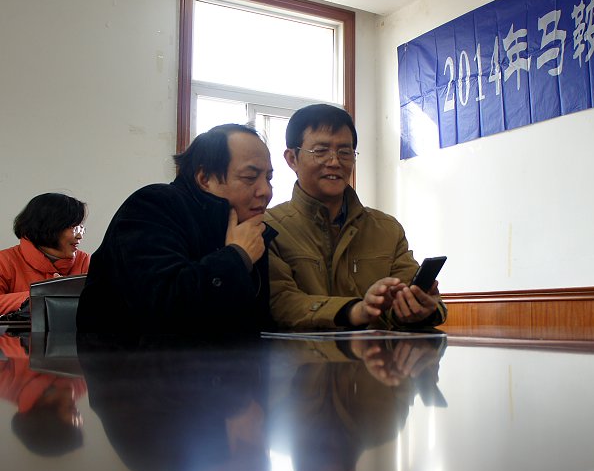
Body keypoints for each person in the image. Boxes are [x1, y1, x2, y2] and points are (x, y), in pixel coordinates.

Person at [76, 123, 276, 333]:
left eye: (269, 178)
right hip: (132, 354)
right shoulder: (153, 205)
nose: (266, 191)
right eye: (250, 177)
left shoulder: (247, 229)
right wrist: (237, 256)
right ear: (204, 178)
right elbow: (162, 308)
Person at [264, 104, 446, 330]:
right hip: (303, 353)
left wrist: (420, 309)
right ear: (292, 158)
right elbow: (282, 304)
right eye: (321, 151)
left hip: (377, 353)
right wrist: (354, 310)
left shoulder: (387, 229)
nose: (334, 162)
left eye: (345, 152)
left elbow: (409, 297)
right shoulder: (269, 228)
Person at [0, 193, 89, 316]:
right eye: (74, 227)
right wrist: (44, 295)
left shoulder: (86, 262)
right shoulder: (4, 261)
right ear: (49, 226)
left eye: (81, 228)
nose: (80, 236)